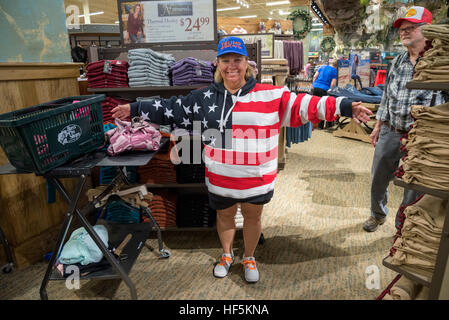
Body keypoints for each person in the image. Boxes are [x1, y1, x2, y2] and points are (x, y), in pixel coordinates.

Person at [112, 36, 372, 282]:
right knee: (224, 218)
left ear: (247, 63)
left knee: (252, 218)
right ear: (218, 64)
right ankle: (226, 254)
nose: (231, 66)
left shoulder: (271, 94)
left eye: (237, 59)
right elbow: (172, 107)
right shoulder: (204, 97)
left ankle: (249, 257)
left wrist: (344, 106)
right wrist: (135, 108)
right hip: (220, 177)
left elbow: (306, 105)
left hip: (256, 179)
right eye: (225, 60)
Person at [363, 6, 445, 232]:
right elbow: (387, 95)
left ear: (427, 30)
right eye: (402, 29)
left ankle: (404, 227)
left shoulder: (439, 63)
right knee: (378, 177)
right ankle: (377, 215)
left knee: (414, 185)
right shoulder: (398, 61)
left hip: (422, 138)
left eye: (411, 28)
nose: (404, 32)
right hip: (391, 129)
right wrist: (378, 126)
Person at [312, 59, 339, 128]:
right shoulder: (334, 71)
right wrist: (331, 91)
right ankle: (320, 125)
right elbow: (333, 83)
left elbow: (315, 76)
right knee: (322, 107)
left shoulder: (322, 67)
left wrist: (314, 84)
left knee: (314, 106)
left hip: (315, 88)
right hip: (324, 90)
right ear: (336, 66)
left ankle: (313, 124)